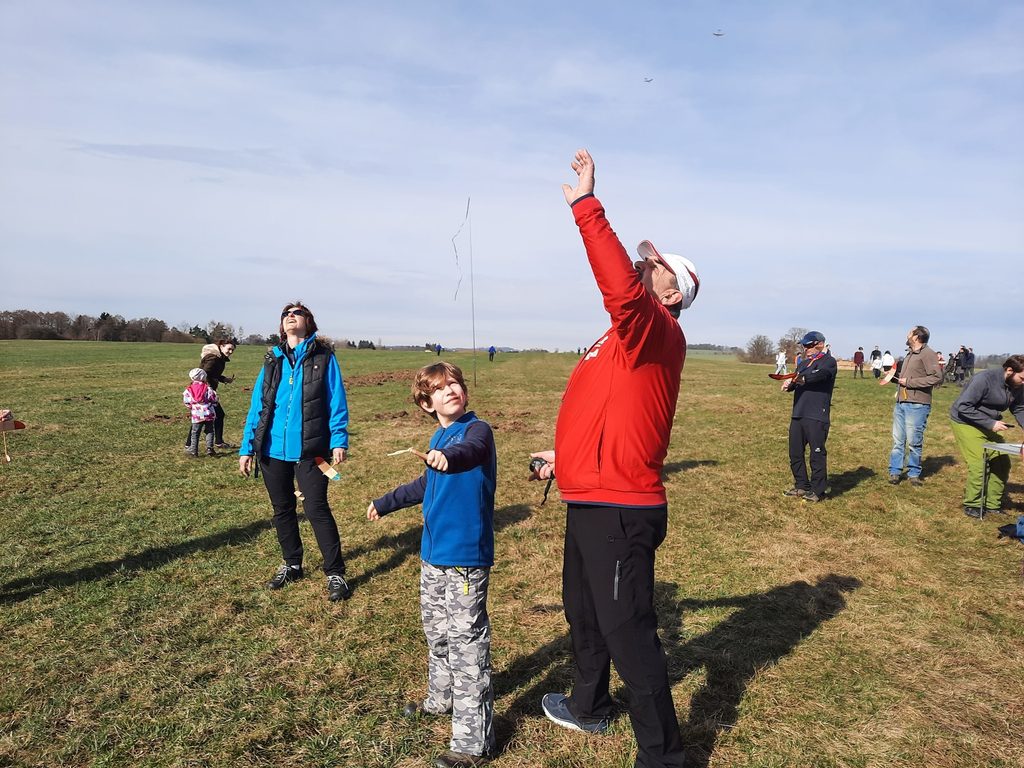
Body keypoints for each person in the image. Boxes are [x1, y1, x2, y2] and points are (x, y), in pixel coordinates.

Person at [529, 148, 699, 768]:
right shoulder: (621, 339)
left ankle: (664, 756)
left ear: (673, 293)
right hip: (588, 494)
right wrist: (566, 457)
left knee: (629, 632)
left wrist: (586, 206)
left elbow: (621, 290)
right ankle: (589, 705)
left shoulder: (655, 328)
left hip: (622, 507)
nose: (644, 264)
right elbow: (605, 411)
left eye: (656, 266)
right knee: (584, 611)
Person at [367, 362, 497, 768]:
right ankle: (441, 698)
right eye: (440, 388)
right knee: (437, 633)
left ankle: (473, 743)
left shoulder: (477, 431)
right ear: (427, 403)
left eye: (455, 384)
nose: (450, 390)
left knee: (466, 644)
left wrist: (447, 457)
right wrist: (386, 502)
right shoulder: (438, 435)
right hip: (432, 555)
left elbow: (468, 454)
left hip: (464, 558)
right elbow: (427, 483)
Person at [238, 302, 352, 602]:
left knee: (316, 508)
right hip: (272, 450)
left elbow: (336, 401)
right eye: (286, 313)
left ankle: (335, 572)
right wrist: (247, 447)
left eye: (297, 312)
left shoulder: (324, 358)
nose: (291, 315)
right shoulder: (272, 360)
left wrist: (339, 440)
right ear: (281, 325)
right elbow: (258, 405)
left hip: (311, 450)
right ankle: (292, 564)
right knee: (283, 509)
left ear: (308, 322)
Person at [949, 355, 1024, 518]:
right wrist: (990, 423)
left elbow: (1019, 408)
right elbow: (963, 406)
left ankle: (992, 505)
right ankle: (973, 505)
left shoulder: (1018, 385)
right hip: (965, 421)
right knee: (979, 464)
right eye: (1022, 378)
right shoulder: (984, 379)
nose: (1023, 382)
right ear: (1009, 370)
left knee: (1002, 463)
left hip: (989, 423)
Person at [781, 331, 837, 502]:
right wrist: (789, 383)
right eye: (804, 346)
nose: (806, 349)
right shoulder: (803, 364)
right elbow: (795, 382)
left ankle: (818, 491)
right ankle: (801, 485)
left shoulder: (829, 361)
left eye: (809, 345)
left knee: (816, 454)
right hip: (798, 413)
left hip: (817, 415)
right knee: (795, 452)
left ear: (820, 344)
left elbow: (821, 375)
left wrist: (803, 379)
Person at [887, 326, 942, 486]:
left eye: (910, 332)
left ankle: (913, 473)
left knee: (914, 441)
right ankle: (895, 472)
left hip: (917, 405)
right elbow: (908, 377)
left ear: (917, 337)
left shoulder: (928, 354)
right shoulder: (909, 354)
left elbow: (936, 377)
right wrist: (893, 377)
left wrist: (910, 382)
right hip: (901, 403)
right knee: (898, 441)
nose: (907, 334)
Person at [183, 338, 237, 451]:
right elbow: (204, 374)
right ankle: (214, 442)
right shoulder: (213, 358)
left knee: (201, 416)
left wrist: (224, 379)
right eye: (229, 349)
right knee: (206, 416)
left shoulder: (218, 358)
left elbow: (213, 374)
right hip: (204, 394)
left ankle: (194, 444)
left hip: (204, 392)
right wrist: (209, 390)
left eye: (233, 350)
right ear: (221, 346)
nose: (231, 352)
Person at [183, 368, 218, 457]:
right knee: (210, 431)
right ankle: (210, 448)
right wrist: (214, 404)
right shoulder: (208, 388)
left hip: (196, 415)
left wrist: (191, 407)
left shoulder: (189, 390)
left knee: (195, 433)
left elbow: (186, 401)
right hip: (208, 413)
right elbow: (214, 398)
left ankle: (193, 450)